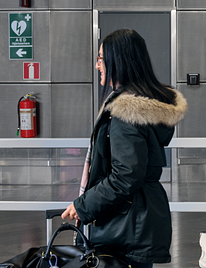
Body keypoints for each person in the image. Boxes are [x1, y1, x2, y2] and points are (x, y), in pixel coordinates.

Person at [61, 29, 187, 268]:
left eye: (101, 58)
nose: (97, 65)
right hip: (137, 219)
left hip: (126, 225)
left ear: (118, 61)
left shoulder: (125, 114)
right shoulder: (139, 107)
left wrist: (82, 205)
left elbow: (125, 176)